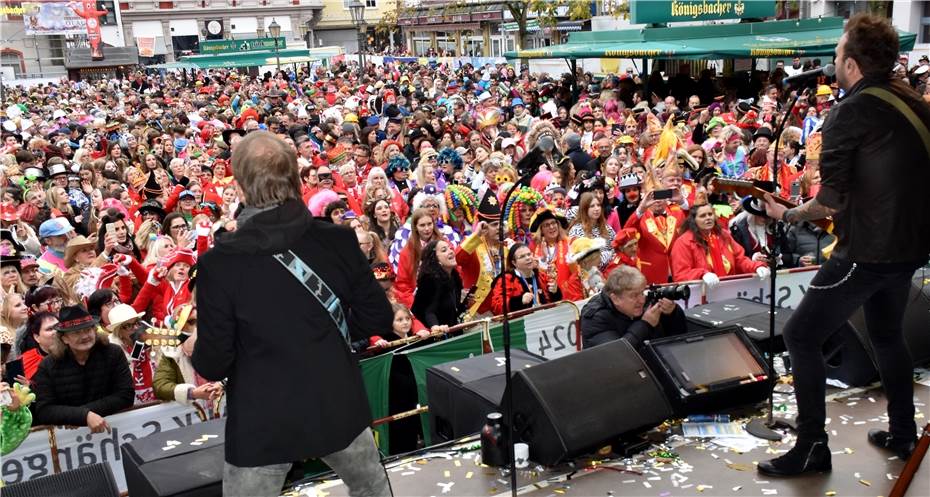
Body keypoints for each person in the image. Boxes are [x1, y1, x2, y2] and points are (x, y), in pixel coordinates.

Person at [759, 14, 930, 476]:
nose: (832, 61)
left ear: (852, 65)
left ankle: (812, 446)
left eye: (836, 54)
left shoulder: (851, 110)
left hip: (868, 251)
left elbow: (829, 201)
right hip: (910, 248)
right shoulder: (913, 100)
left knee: (801, 335)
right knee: (888, 334)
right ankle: (902, 433)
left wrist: (787, 213)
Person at [191, 131, 393, 497]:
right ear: (296, 179)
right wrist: (328, 339)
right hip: (336, 403)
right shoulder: (338, 240)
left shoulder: (218, 266)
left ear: (239, 186)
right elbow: (377, 317)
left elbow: (216, 362)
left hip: (262, 420)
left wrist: (197, 346)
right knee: (372, 490)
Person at [30, 305, 134, 431]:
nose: (85, 336)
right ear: (64, 338)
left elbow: (125, 395)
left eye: (88, 330)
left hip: (114, 429)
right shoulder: (48, 365)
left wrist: (82, 414)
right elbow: (44, 410)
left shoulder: (113, 353)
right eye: (76, 332)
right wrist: (83, 416)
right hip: (71, 442)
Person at [580, 265, 686, 350]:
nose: (642, 300)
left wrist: (672, 313)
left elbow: (679, 337)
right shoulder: (595, 317)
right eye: (634, 295)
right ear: (616, 298)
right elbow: (617, 355)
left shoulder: (645, 301)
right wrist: (645, 325)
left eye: (642, 292)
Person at [670, 203, 769, 284]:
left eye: (710, 214)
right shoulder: (683, 242)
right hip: (700, 295)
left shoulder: (723, 235)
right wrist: (702, 274)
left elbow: (740, 260)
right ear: (693, 221)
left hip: (727, 288)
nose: (708, 218)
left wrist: (756, 266)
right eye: (702, 216)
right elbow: (680, 275)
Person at [489, 242, 561, 315]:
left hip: (545, 319)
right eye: (522, 256)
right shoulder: (506, 279)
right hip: (521, 324)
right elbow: (496, 306)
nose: (528, 258)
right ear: (514, 263)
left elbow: (554, 302)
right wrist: (520, 301)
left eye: (529, 254)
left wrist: (555, 292)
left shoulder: (541, 275)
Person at [411, 240, 465, 329]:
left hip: (451, 330)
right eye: (444, 250)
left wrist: (466, 304)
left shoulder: (454, 276)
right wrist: (435, 327)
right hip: (432, 334)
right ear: (435, 259)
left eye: (450, 248)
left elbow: (454, 309)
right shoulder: (430, 280)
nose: (451, 251)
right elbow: (428, 311)